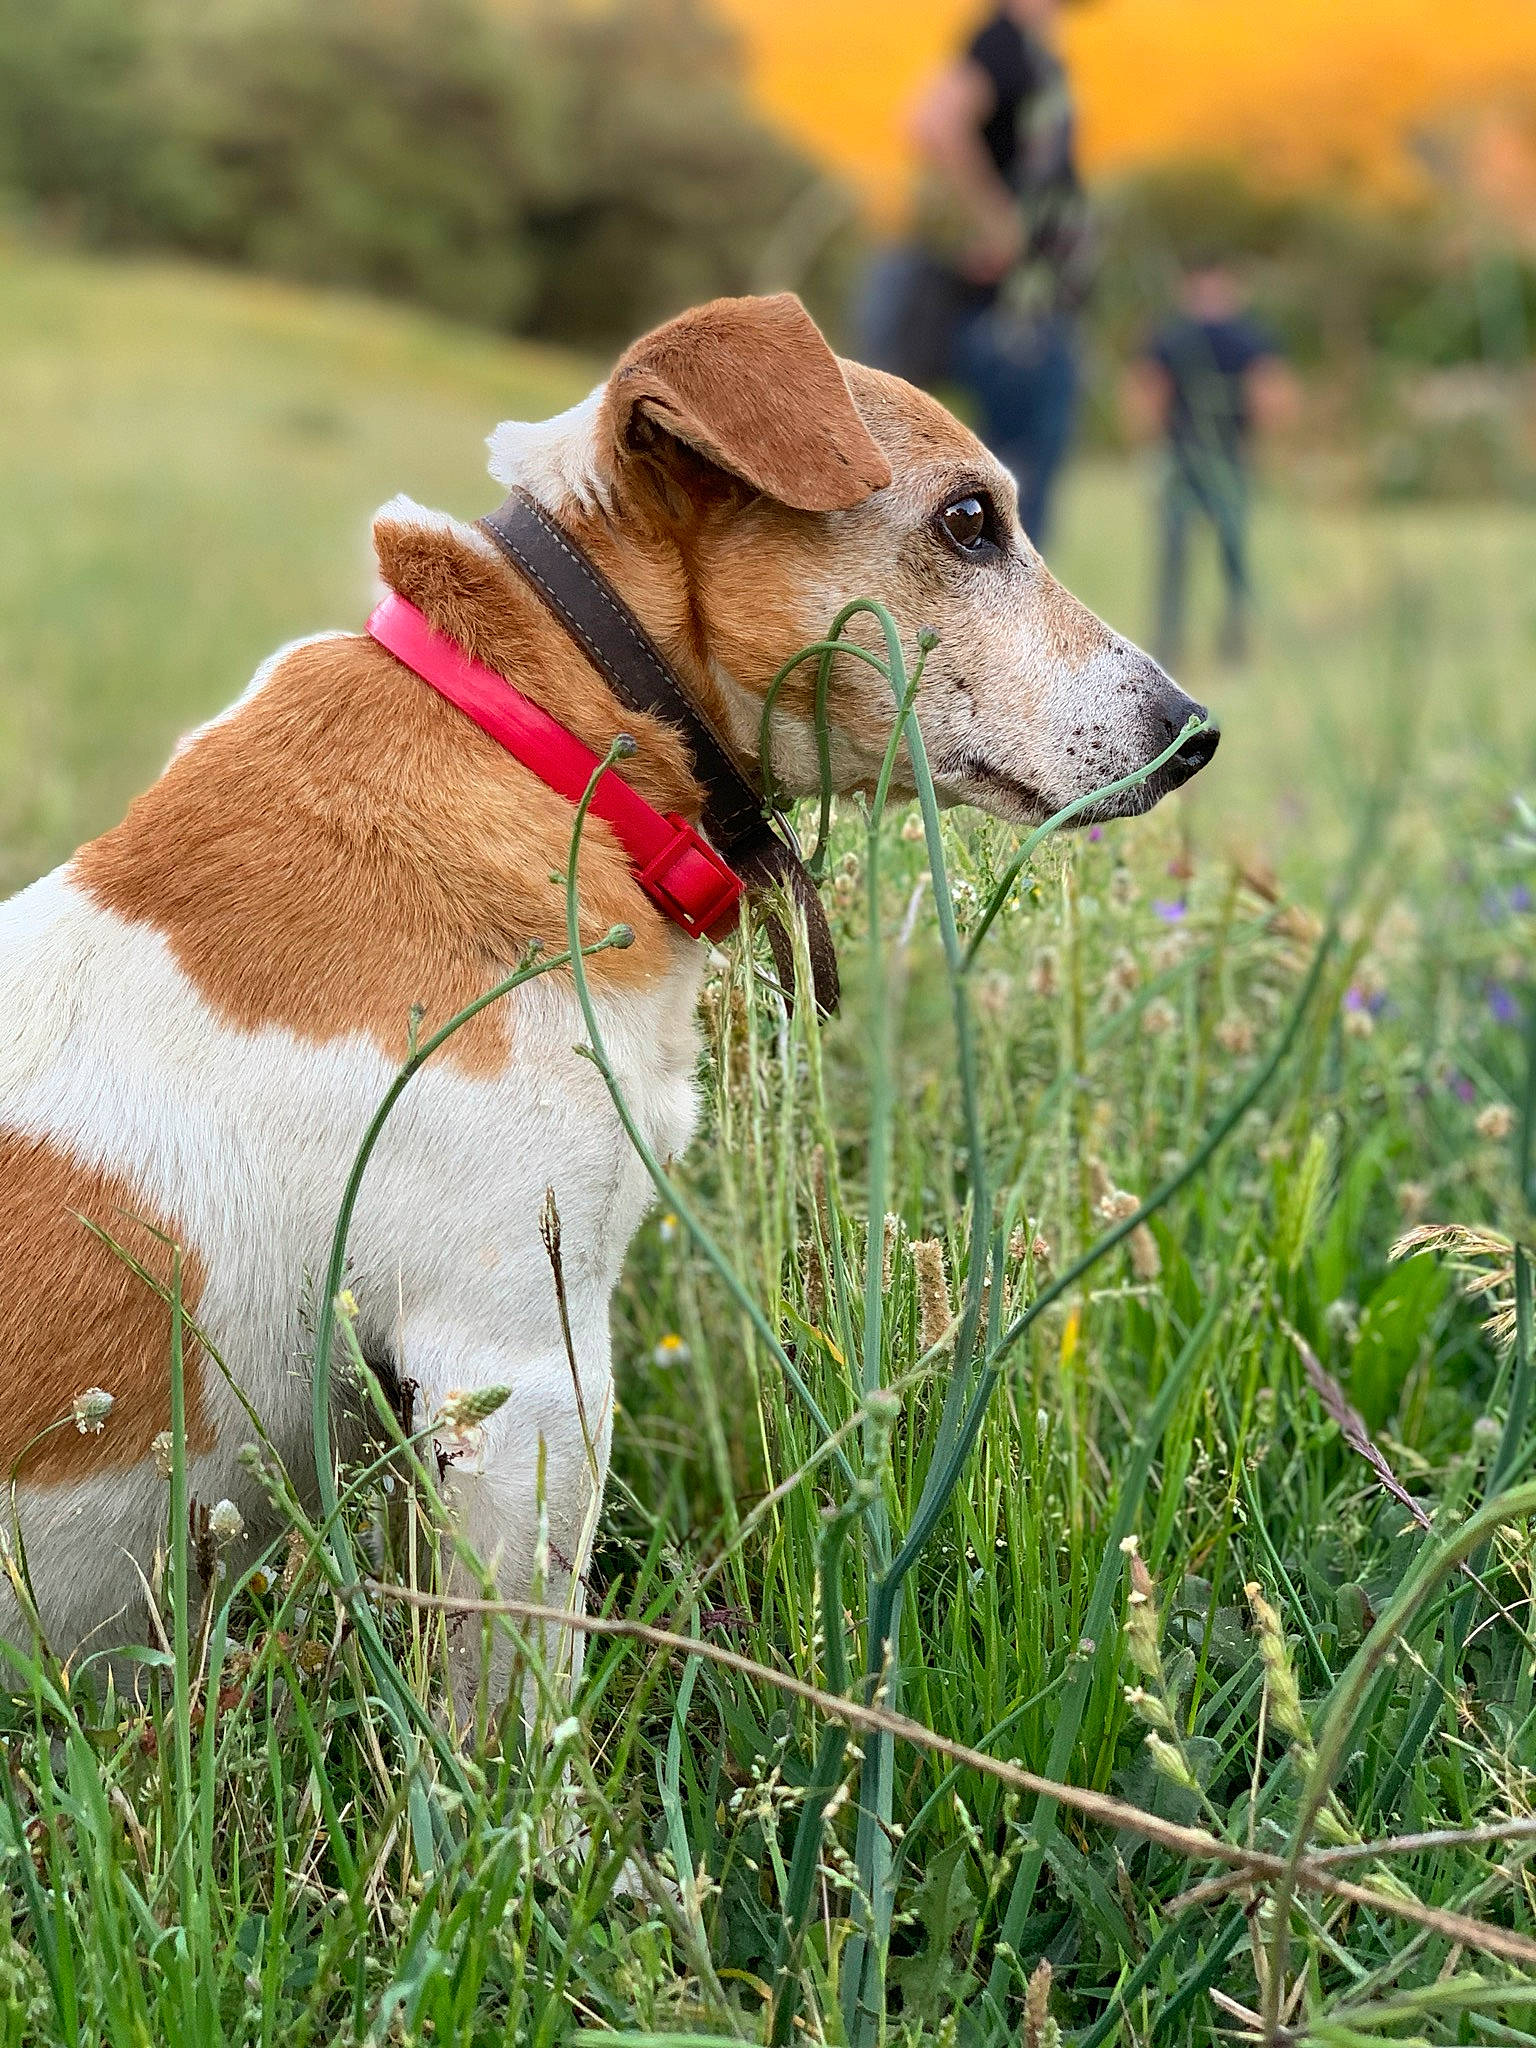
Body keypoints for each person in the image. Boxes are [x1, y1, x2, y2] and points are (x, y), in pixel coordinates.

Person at [862, 0, 1093, 550]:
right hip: (1011, 317)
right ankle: (1009, 620)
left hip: (1025, 307)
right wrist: (997, 223)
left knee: (1013, 469)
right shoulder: (1003, 40)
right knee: (1020, 471)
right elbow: (933, 121)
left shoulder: (1029, 49)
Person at [1123, 258, 1299, 668]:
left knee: (1202, 554)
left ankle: (1206, 639)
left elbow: (1146, 395)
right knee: (1203, 553)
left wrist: (1150, 440)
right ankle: (1206, 641)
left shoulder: (1182, 336)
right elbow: (1271, 395)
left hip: (1206, 458)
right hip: (1210, 458)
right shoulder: (1238, 337)